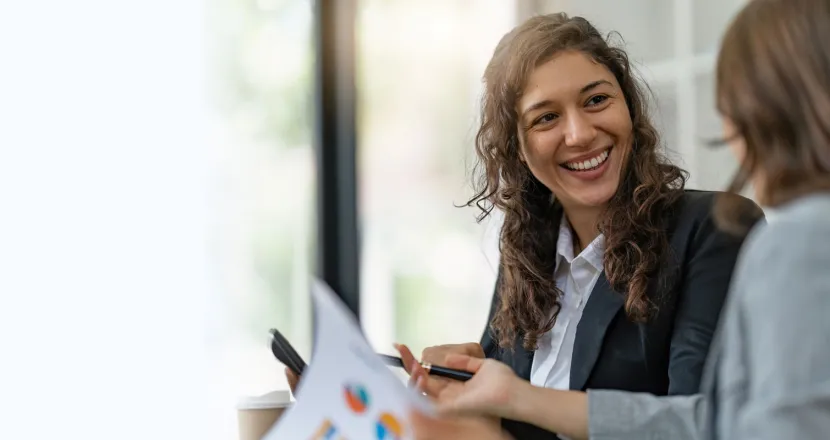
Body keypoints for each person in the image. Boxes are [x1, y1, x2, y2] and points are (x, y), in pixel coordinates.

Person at [403, 0, 830, 439]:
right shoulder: (527, 255)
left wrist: (499, 414)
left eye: (597, 100)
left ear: (629, 107)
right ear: (516, 148)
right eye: (546, 117)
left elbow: (704, 424)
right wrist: (472, 399)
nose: (580, 133)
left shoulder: (714, 229)